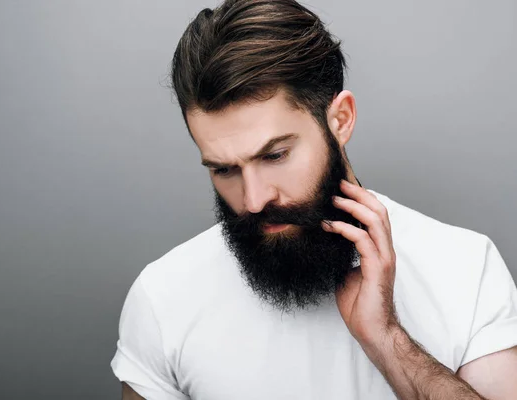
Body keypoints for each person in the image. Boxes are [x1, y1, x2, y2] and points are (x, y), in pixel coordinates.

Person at [111, 1, 517, 398]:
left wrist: (388, 340)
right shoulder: (163, 298)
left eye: (274, 156)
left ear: (340, 119)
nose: (253, 201)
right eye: (224, 170)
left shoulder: (467, 269)